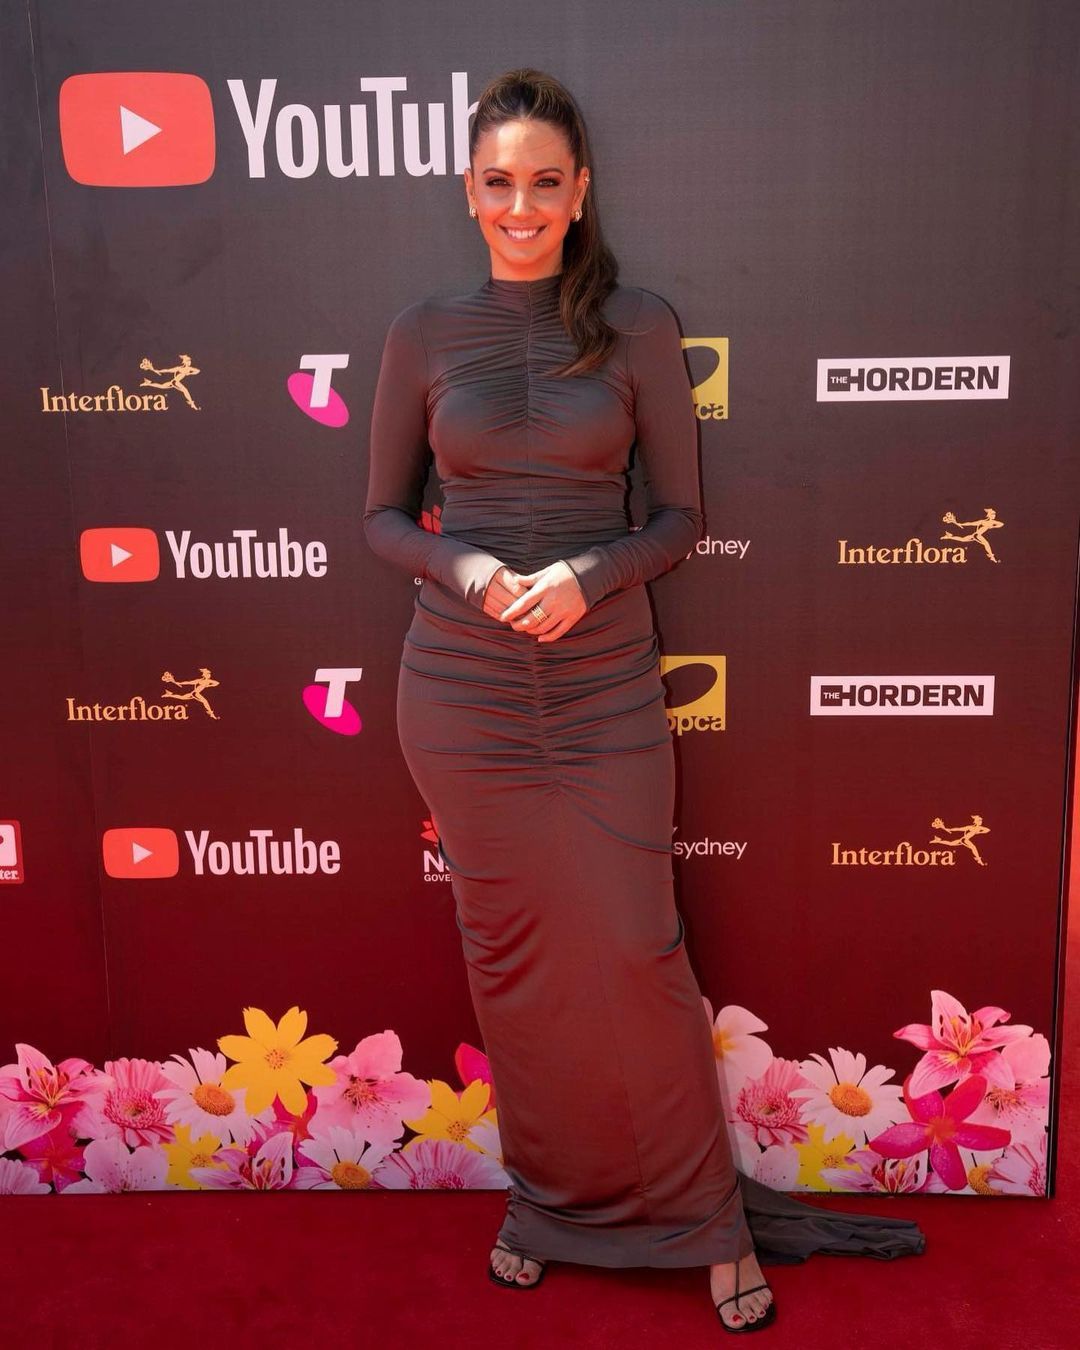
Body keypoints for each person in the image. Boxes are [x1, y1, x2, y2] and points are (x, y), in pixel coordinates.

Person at [364, 67, 924, 1334]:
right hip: (461, 690)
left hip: (602, 678)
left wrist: (588, 574)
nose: (520, 206)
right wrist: (465, 567)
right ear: (467, 191)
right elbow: (381, 517)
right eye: (497, 182)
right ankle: (548, 1206)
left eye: (544, 183)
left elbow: (679, 518)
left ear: (581, 192)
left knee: (635, 949)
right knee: (511, 961)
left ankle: (701, 1220)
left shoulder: (637, 325)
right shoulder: (422, 332)